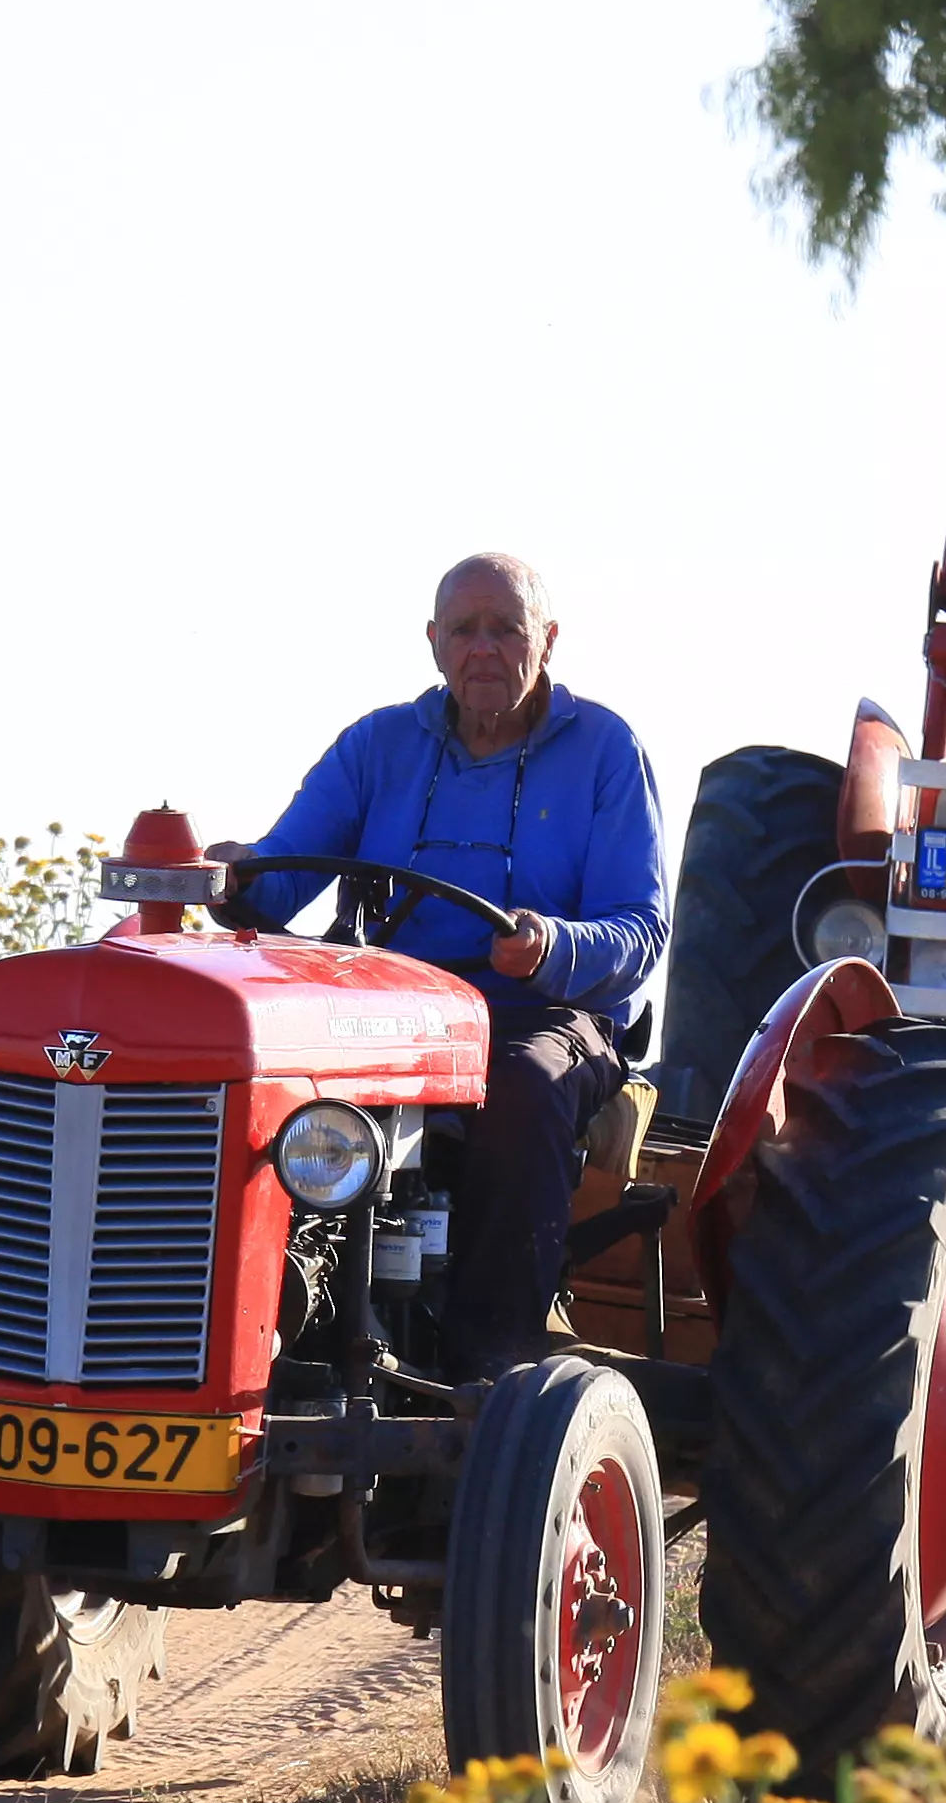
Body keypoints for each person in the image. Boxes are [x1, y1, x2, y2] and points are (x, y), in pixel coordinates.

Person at [217, 553, 668, 1378]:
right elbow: (284, 874)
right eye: (465, 629)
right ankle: (260, 1329)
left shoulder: (605, 750)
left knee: (527, 1084)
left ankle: (491, 1363)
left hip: (543, 1014)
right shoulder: (379, 745)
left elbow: (639, 928)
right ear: (433, 643)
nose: (484, 649)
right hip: (389, 1020)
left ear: (549, 640)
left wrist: (552, 946)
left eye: (507, 628)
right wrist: (233, 876)